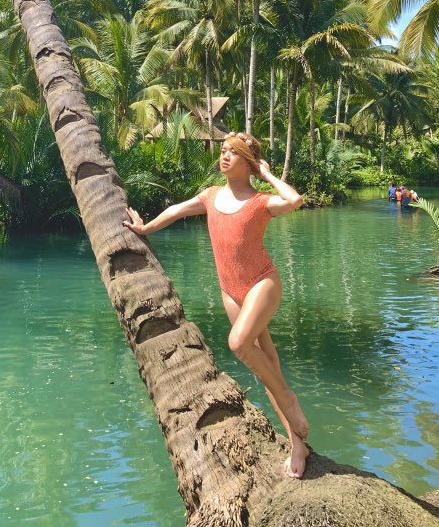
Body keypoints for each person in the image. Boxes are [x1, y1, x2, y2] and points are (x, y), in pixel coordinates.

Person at [123, 130, 309, 479]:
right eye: (223, 151)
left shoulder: (259, 202)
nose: (224, 156)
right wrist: (144, 228)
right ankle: (297, 442)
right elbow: (177, 211)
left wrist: (268, 175)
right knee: (266, 365)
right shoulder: (210, 196)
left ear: (248, 163)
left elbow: (295, 199)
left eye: (233, 153)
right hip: (230, 291)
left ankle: (289, 401)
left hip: (261, 284)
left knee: (239, 344)